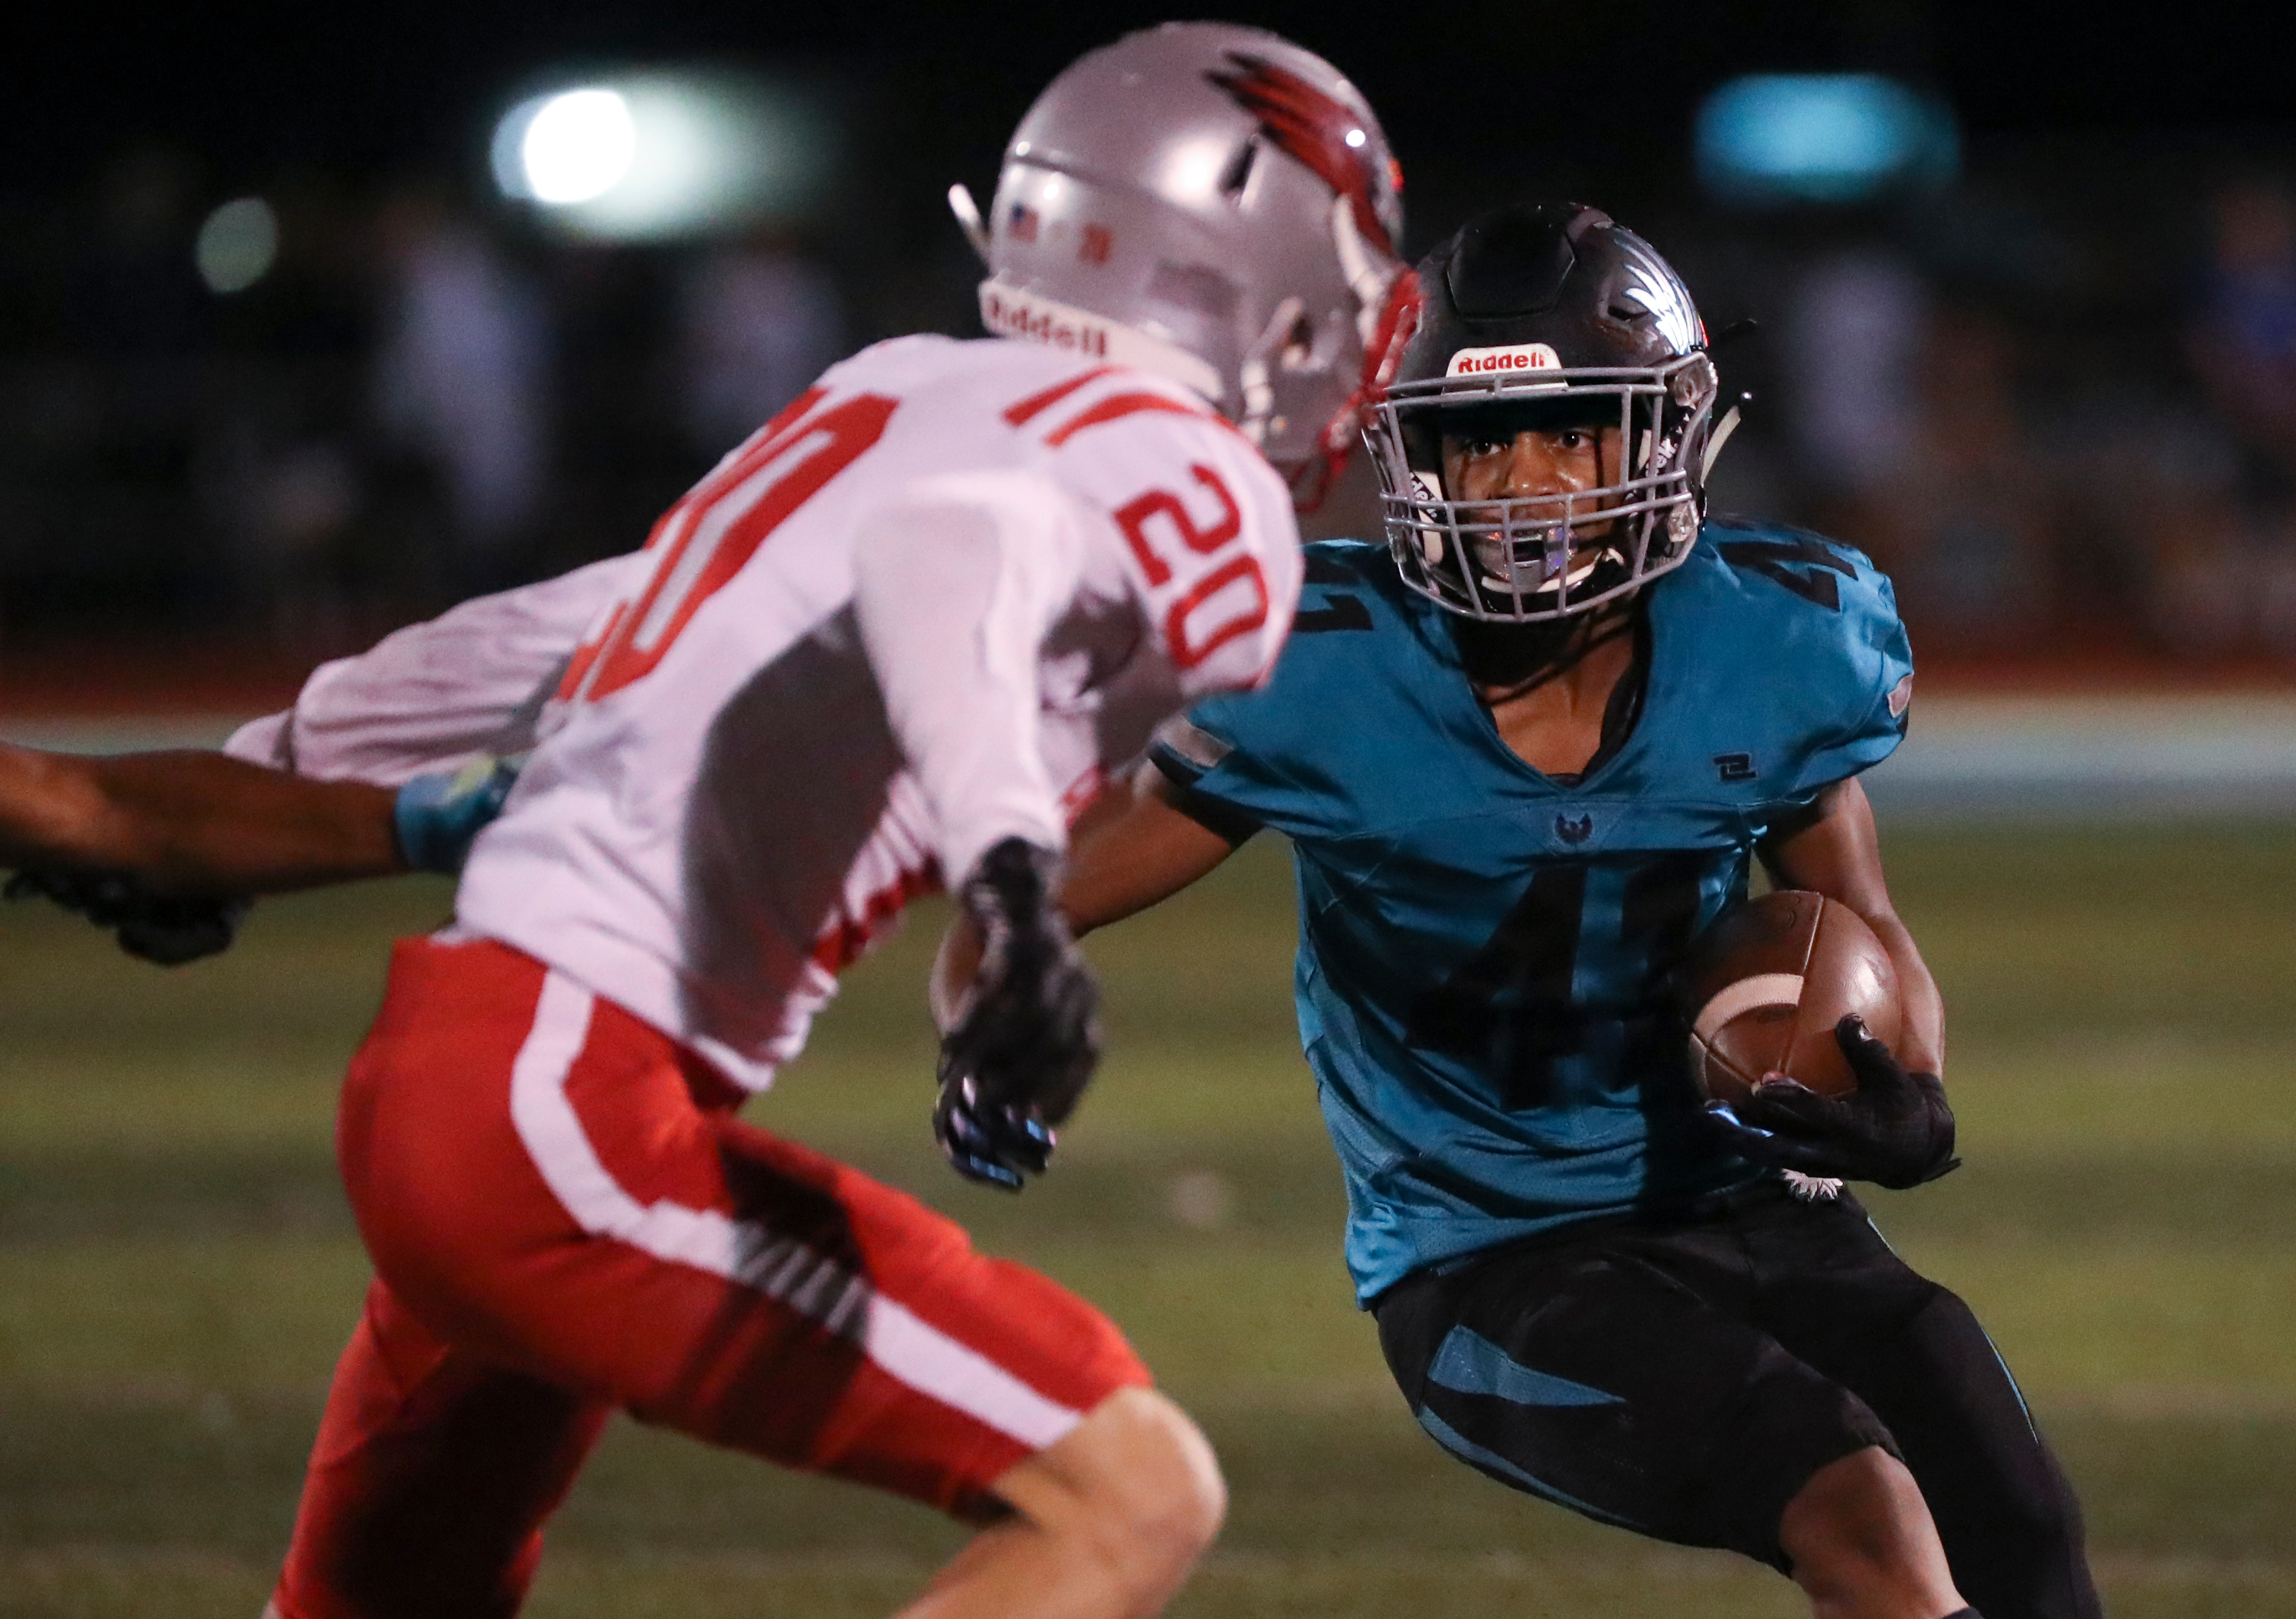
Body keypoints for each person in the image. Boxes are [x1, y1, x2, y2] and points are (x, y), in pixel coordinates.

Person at [197, 24, 1414, 1619]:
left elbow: (584, 627)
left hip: (468, 1072)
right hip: (564, 1102)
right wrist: (1012, 884)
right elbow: (948, 557)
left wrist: (262, 774)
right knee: (1130, 1492)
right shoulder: (1194, 483)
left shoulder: (896, 387)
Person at [951, 203, 2099, 1619]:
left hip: (1752, 1202)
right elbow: (1017, 902)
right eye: (1481, 440)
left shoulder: (1776, 643)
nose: (1522, 484)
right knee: (1855, 1503)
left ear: (1664, 435)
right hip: (1492, 1257)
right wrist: (982, 1028)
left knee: (2018, 1523)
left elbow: (1852, 910)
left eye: (1569, 431)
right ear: (1409, 455)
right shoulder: (1318, 675)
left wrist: (1908, 1090)